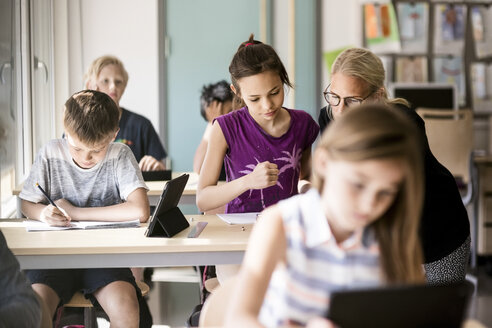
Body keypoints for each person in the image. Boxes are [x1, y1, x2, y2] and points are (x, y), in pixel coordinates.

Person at [226, 104, 426, 327]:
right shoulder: (280, 224)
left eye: (386, 192)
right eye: (358, 184)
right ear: (323, 163)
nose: (370, 205)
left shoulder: (395, 235)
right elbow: (239, 318)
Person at [318, 47, 470, 285]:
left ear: (377, 96)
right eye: (334, 96)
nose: (339, 110)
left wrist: (408, 258)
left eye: (352, 101)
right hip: (383, 236)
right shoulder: (329, 118)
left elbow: (402, 194)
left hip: (436, 229)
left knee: (435, 315)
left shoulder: (405, 124)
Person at [19, 90, 151, 328]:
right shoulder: (50, 152)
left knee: (127, 309)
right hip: (54, 258)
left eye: (97, 150)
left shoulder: (120, 154)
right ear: (65, 131)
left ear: (114, 135)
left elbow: (140, 210)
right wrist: (42, 213)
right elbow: (26, 203)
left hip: (104, 257)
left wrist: (76, 212)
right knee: (34, 311)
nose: (86, 157)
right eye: (77, 148)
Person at [196, 34, 319, 214]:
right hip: (240, 230)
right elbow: (203, 200)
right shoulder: (225, 127)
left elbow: (305, 177)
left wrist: (310, 190)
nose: (267, 105)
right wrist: (248, 181)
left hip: (287, 225)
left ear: (283, 79)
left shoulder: (303, 123)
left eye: (275, 92)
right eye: (254, 99)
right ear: (236, 92)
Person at [85, 55, 167, 172]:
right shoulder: (78, 125)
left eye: (118, 82)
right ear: (91, 86)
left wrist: (157, 167)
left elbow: (161, 168)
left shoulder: (142, 125)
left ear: (124, 86)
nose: (113, 86)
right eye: (105, 81)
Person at [193, 80, 234, 176]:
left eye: (230, 111)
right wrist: (214, 123)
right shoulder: (213, 130)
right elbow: (199, 169)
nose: (226, 121)